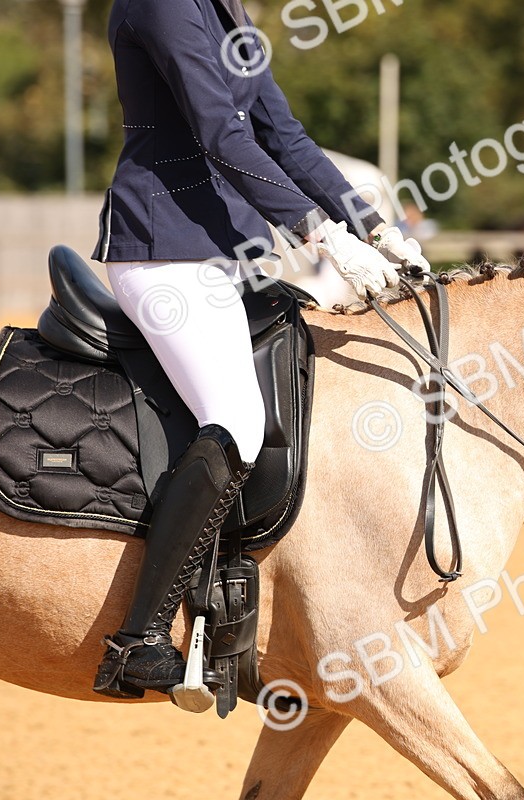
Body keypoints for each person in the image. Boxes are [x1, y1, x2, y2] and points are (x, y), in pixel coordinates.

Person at [90, 0, 428, 710]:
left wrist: (376, 226)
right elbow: (219, 131)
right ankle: (141, 639)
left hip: (227, 256)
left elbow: (284, 135)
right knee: (238, 418)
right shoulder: (162, 6)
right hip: (165, 250)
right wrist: (319, 235)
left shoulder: (228, 10)